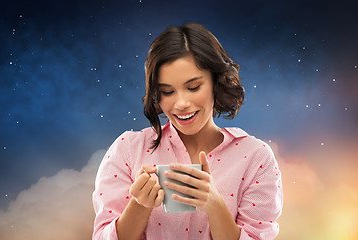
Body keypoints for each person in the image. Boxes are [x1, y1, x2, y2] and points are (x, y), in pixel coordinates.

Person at [92, 22, 283, 240]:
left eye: (193, 87)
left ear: (216, 81)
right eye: (167, 91)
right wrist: (139, 205)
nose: (181, 103)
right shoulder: (128, 149)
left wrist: (214, 204)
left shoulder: (255, 157)